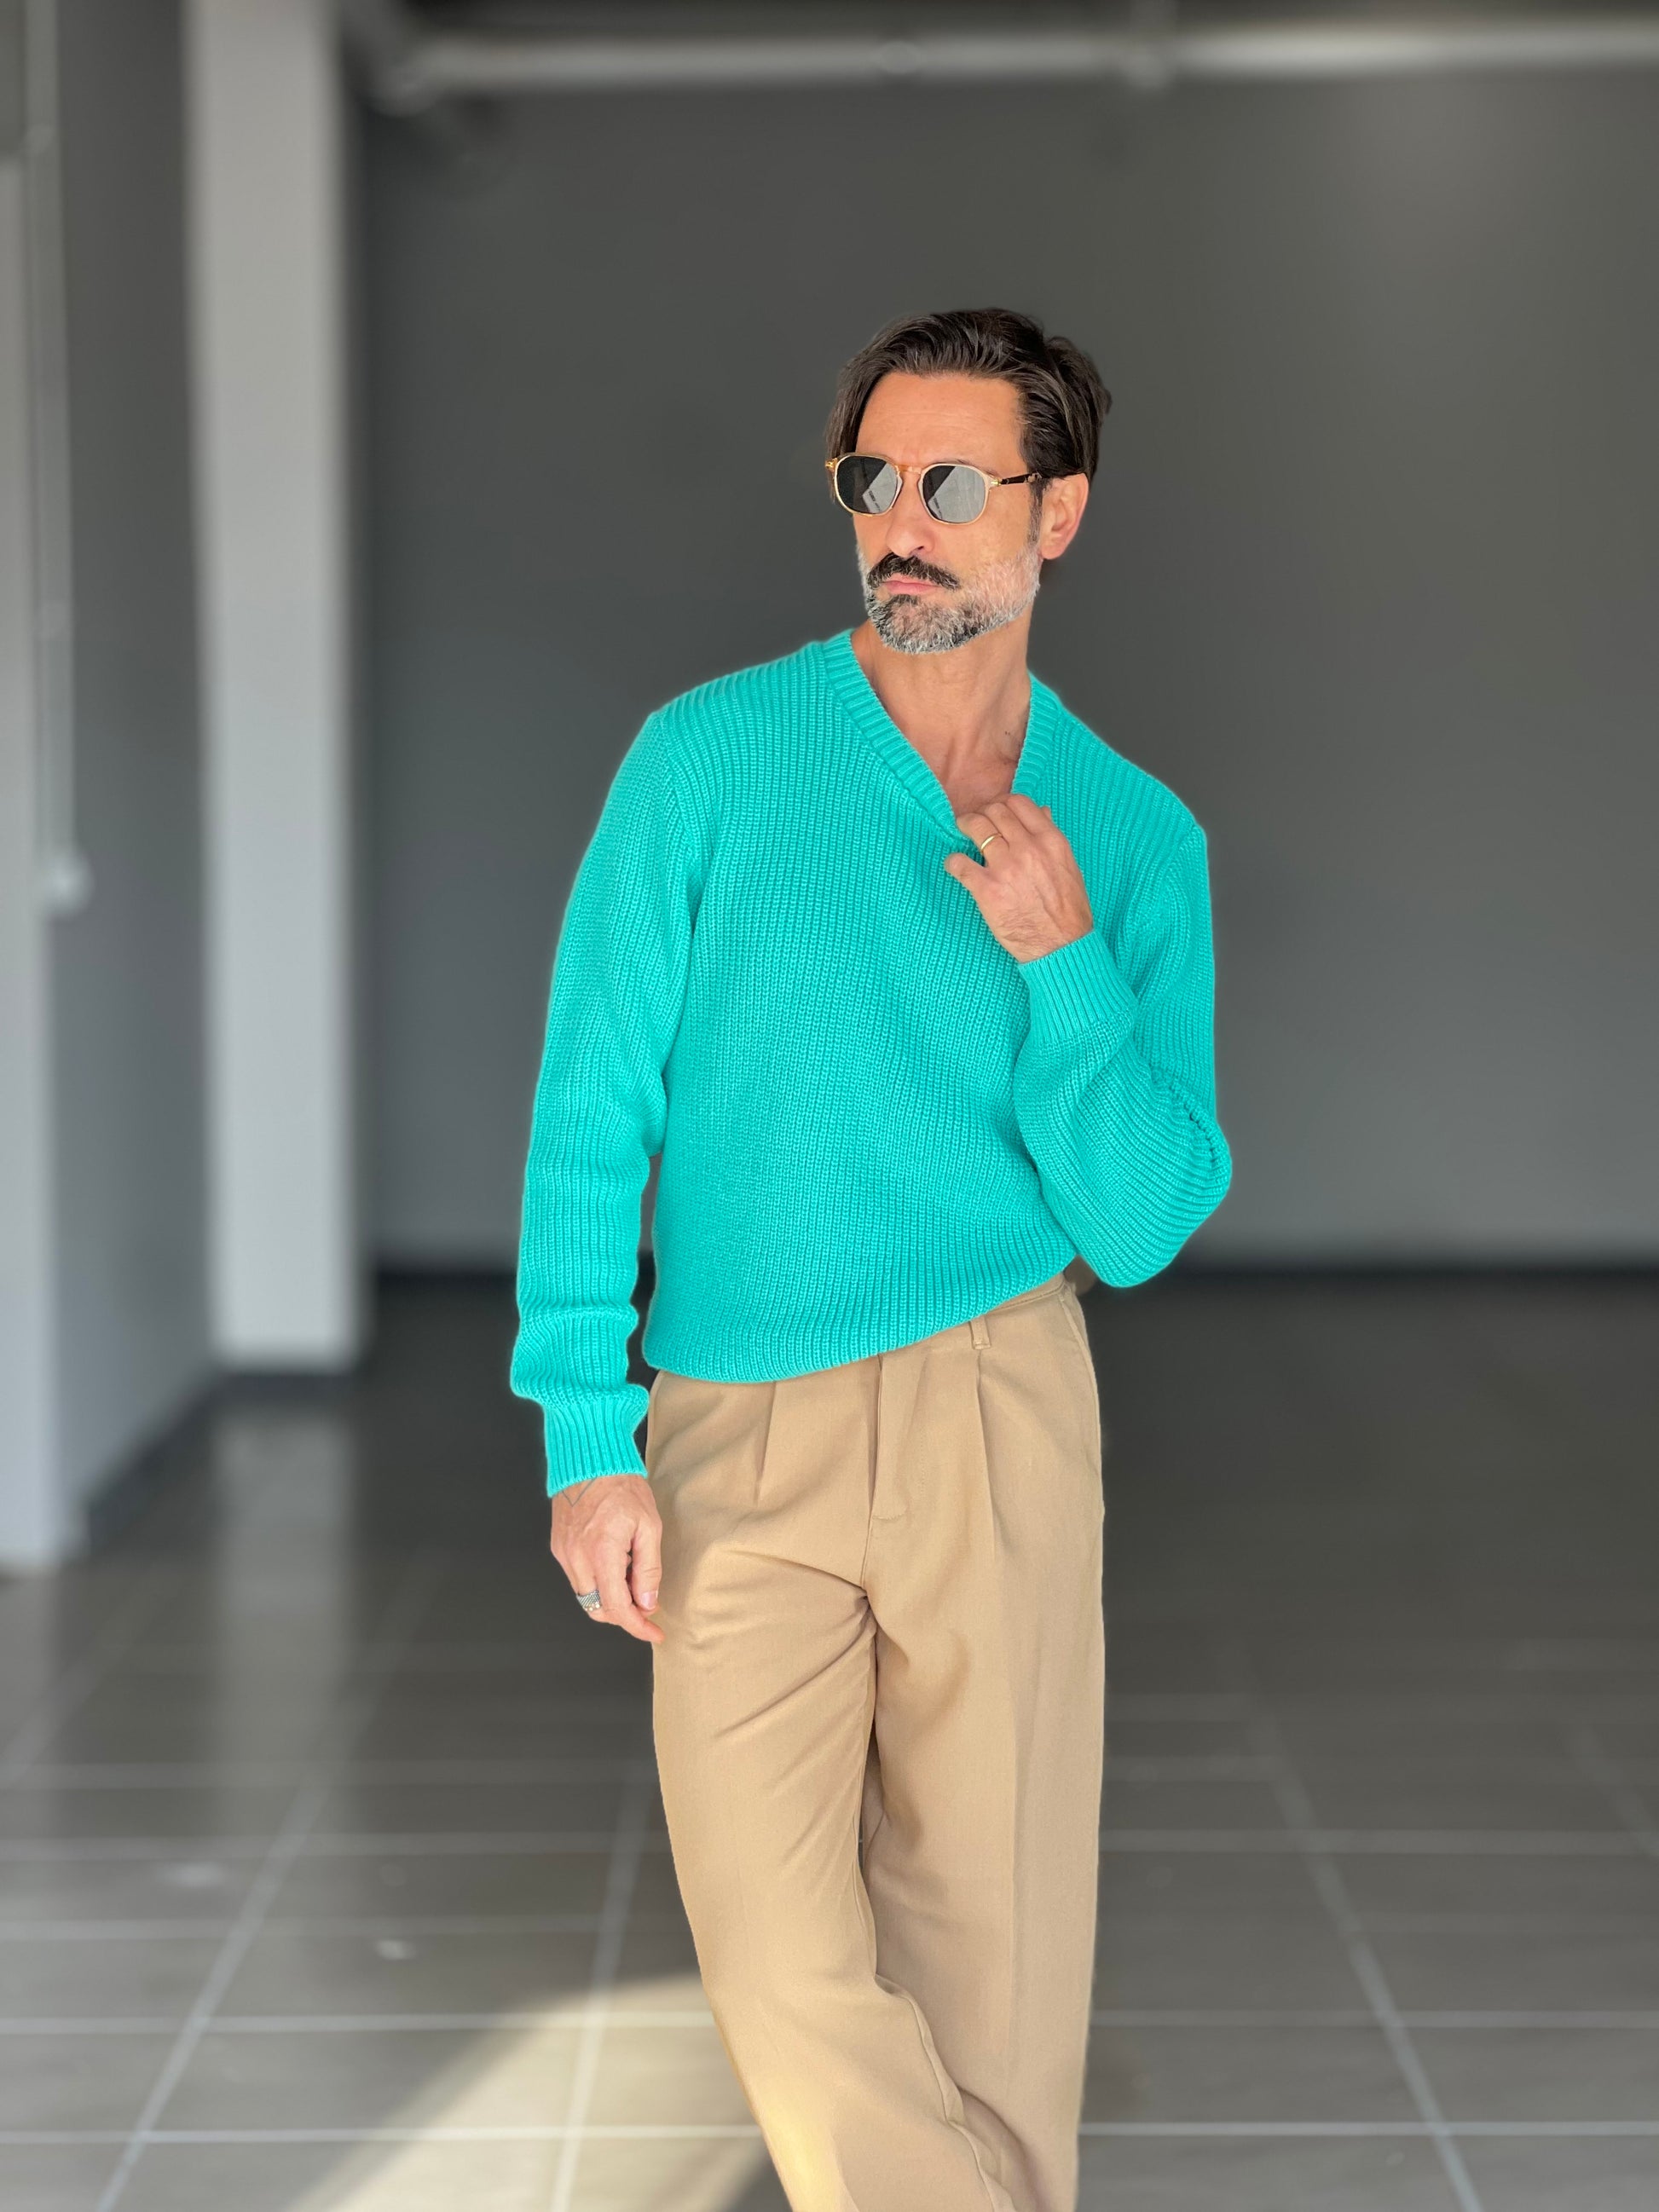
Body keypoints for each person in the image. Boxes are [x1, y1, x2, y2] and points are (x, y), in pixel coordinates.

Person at [509, 306, 1231, 2212]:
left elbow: (1145, 1216)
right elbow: (591, 1107)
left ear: (1056, 513)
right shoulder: (705, 761)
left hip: (1003, 1405)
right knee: (777, 1953)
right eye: (872, 479)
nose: (900, 524)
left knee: (996, 1957)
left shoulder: (1134, 837)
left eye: (953, 483)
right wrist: (585, 1426)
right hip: (734, 1422)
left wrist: (1063, 968)